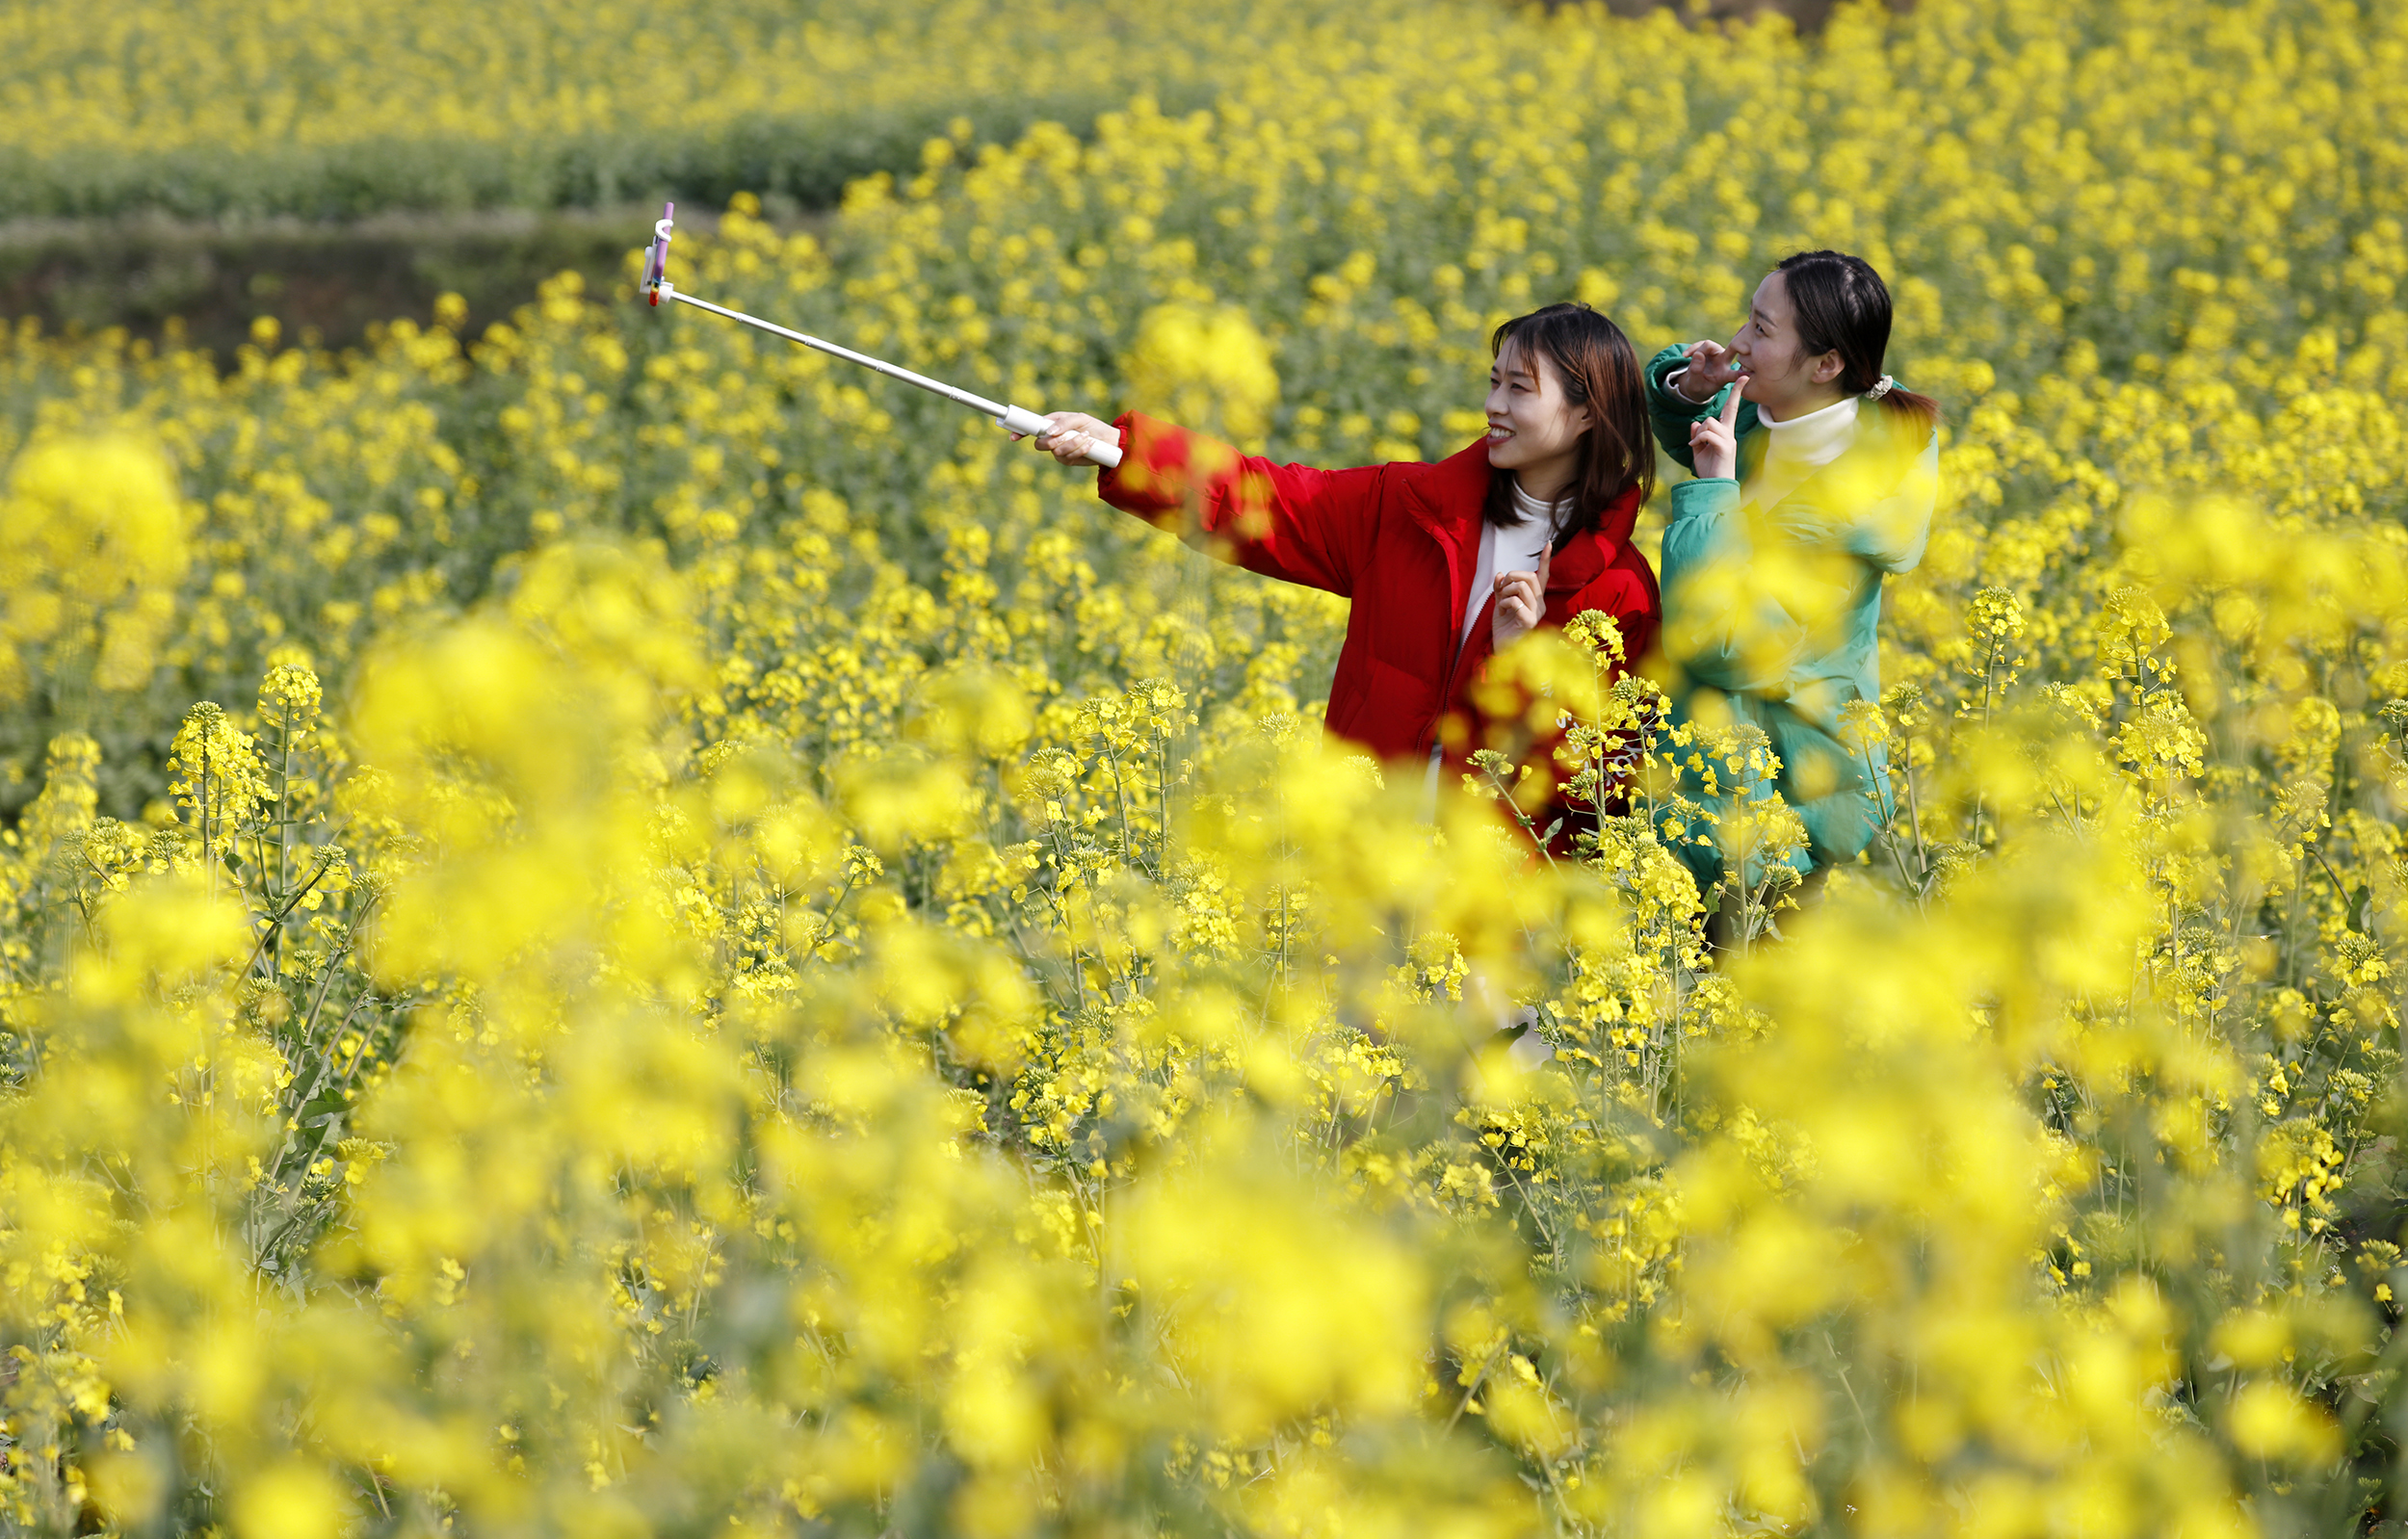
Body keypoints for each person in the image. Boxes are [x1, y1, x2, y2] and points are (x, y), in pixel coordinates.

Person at [1035, 302, 1662, 835]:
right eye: (1493, 382)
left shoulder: (1621, 592)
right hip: (1361, 857)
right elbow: (1267, 500)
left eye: (1519, 389)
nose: (1493, 404)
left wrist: (1525, 675)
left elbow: (1602, 794)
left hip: (1492, 904)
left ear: (1586, 413)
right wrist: (1124, 449)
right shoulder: (1409, 507)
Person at [1645, 248, 1941, 900]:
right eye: (1748, 320)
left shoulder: (1848, 508)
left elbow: (1722, 642)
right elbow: (1695, 427)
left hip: (1794, 792)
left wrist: (1712, 492)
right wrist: (1691, 388)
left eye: (1761, 329)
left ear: (1826, 364)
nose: (1738, 342)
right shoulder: (1774, 414)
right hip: (1717, 772)